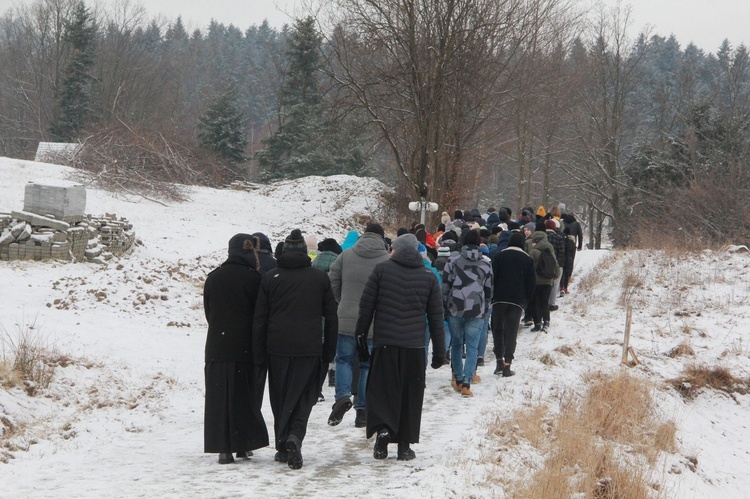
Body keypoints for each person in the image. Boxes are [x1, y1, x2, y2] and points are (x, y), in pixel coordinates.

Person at [253, 229, 338, 470]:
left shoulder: (271, 277)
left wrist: (259, 353)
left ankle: (283, 444)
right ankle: (294, 436)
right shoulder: (319, 278)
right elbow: (331, 317)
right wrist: (329, 350)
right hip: (309, 346)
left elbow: (260, 319)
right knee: (305, 395)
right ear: (305, 252)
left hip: (277, 347)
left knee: (280, 396)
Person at [355, 233, 445, 461]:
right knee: (410, 394)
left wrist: (361, 338)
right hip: (414, 346)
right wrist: (439, 352)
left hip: (386, 344)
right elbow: (436, 316)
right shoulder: (428, 275)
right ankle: (404, 445)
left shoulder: (381, 270)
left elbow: (366, 308)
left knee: (383, 391)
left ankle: (383, 431)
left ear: (396, 249)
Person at [203, 234, 269, 465]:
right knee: (244, 396)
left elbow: (209, 312)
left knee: (219, 397)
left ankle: (223, 448)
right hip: (245, 346)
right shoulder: (254, 279)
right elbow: (260, 315)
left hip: (217, 347)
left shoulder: (214, 278)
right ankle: (244, 444)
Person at [327, 224, 390, 428]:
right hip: (374, 320)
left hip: (346, 317)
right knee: (366, 365)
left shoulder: (346, 255)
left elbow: (332, 281)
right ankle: (362, 411)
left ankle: (342, 396)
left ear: (363, 235)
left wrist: (342, 300)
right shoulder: (387, 260)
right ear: (381, 238)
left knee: (344, 360)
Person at [442, 229, 493, 397]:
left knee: (456, 343)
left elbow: (446, 285)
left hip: (455, 307)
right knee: (472, 346)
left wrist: (445, 305)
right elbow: (488, 290)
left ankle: (457, 378)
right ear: (479, 243)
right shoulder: (486, 263)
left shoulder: (453, 260)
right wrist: (485, 309)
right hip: (477, 308)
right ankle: (466, 382)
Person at [491, 232, 536, 376]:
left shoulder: (499, 256)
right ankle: (507, 364)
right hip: (516, 301)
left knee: (498, 330)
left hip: (499, 298)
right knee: (511, 331)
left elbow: (493, 277)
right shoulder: (527, 259)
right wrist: (526, 300)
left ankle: (498, 360)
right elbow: (531, 283)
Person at [312, 237, 344, 395]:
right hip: (334, 311)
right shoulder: (340, 264)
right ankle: (329, 377)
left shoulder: (313, 264)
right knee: (331, 348)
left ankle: (314, 387)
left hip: (315, 313)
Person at [528, 231, 558, 332]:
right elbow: (555, 263)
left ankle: (537, 323)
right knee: (544, 302)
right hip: (548, 281)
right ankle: (546, 321)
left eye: (533, 242)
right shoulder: (550, 250)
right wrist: (556, 274)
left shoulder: (534, 252)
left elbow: (529, 266)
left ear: (536, 242)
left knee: (534, 302)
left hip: (536, 281)